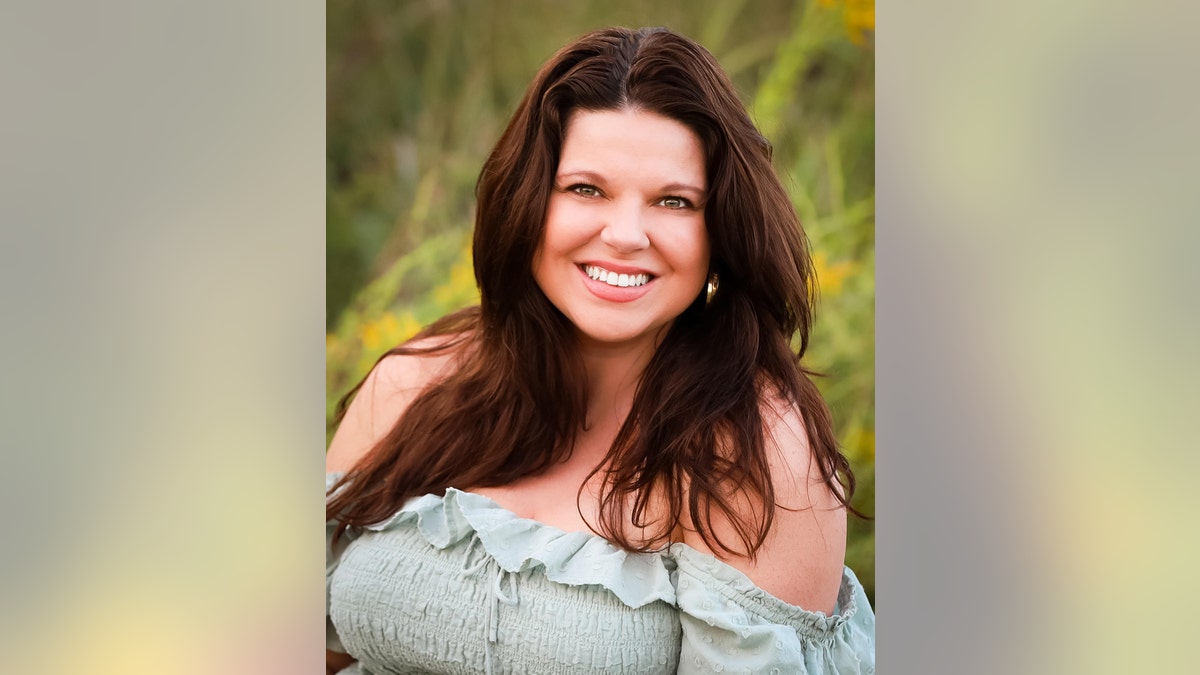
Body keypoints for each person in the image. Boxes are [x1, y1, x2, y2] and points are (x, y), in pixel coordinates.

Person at [326, 26, 874, 674]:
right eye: (586, 189)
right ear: (527, 202)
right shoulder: (419, 378)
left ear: (720, 231)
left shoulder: (756, 455)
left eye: (674, 201)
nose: (624, 235)